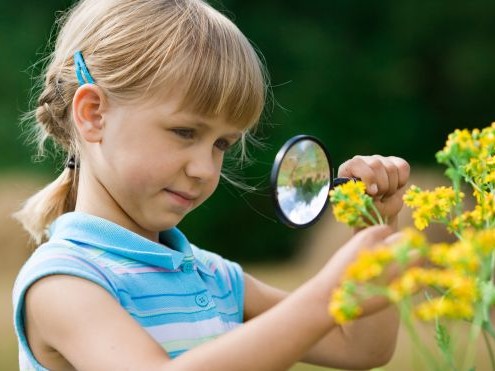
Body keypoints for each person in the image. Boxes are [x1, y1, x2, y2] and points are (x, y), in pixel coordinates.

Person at [12, 0, 410, 370]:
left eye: (222, 144)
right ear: (94, 115)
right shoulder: (62, 280)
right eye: (184, 131)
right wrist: (322, 297)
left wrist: (373, 225)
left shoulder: (214, 277)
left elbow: (360, 348)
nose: (204, 168)